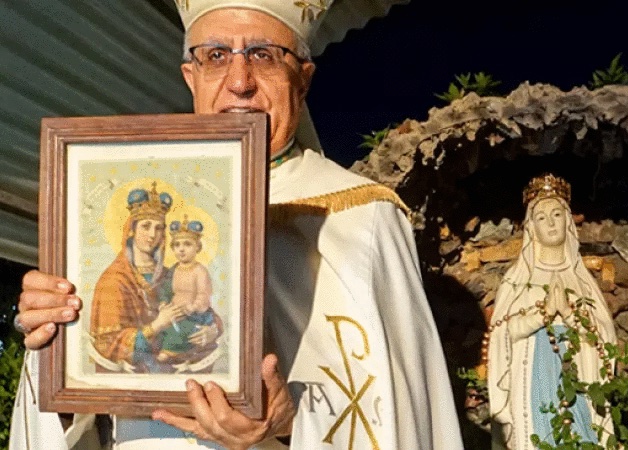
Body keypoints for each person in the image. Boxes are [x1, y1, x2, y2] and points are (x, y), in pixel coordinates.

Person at [11, 1, 461, 449]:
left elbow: (395, 414)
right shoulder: (113, 186)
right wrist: (55, 336)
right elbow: (79, 404)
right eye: (216, 56)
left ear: (302, 80)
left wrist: (287, 421)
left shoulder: (363, 217)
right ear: (191, 77)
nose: (240, 82)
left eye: (264, 55)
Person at [486, 174, 616, 449]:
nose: (551, 223)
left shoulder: (581, 280)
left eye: (557, 214)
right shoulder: (517, 280)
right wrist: (542, 315)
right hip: (532, 377)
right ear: (531, 227)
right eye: (542, 218)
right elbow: (501, 333)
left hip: (578, 378)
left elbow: (604, 337)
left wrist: (569, 315)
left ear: (568, 221)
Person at [89, 183, 220, 374]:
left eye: (159, 228)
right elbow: (109, 344)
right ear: (131, 230)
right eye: (146, 226)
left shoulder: (170, 274)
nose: (153, 235)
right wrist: (157, 325)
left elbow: (203, 309)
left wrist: (212, 330)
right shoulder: (114, 280)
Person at [157, 216, 216, 364]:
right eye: (177, 245)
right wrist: (164, 302)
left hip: (194, 315)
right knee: (161, 330)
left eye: (187, 244)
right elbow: (165, 290)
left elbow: (204, 295)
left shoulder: (200, 271)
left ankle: (168, 353)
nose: (181, 249)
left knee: (181, 330)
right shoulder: (173, 270)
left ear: (197, 247)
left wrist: (193, 307)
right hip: (174, 312)